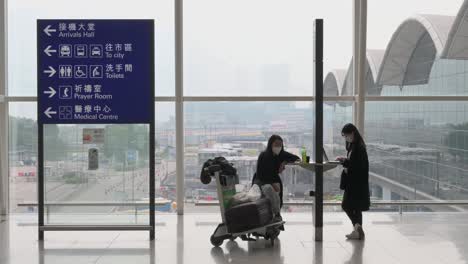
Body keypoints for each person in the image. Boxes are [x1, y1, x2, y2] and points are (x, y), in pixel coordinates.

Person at [252, 135, 300, 222]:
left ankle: (275, 218)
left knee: (276, 197)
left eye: (280, 145)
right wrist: (271, 183)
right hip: (261, 180)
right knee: (268, 189)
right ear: (271, 144)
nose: (278, 147)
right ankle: (275, 216)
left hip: (274, 179)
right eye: (276, 144)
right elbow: (260, 174)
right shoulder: (263, 155)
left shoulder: (282, 154)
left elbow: (297, 158)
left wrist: (284, 162)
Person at [336, 123, 370, 240]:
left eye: (346, 135)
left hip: (355, 183)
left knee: (346, 205)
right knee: (356, 208)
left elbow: (356, 165)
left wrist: (345, 162)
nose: (346, 138)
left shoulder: (359, 147)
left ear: (352, 133)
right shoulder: (354, 146)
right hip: (355, 183)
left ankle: (357, 226)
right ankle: (357, 231)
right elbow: (353, 162)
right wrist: (345, 160)